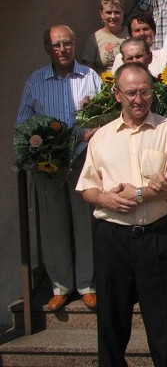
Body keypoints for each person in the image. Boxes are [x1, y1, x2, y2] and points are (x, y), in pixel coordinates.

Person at [77, 62, 167, 366]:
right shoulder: (101, 137)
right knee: (111, 326)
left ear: (152, 92)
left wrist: (138, 194)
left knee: (165, 327)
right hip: (112, 241)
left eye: (144, 92)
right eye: (130, 93)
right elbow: (87, 187)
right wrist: (105, 199)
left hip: (157, 238)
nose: (138, 99)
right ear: (117, 95)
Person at [16, 25, 101, 311]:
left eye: (67, 44)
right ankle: (61, 286)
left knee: (84, 222)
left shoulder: (90, 77)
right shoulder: (35, 81)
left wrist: (93, 134)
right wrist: (33, 151)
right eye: (56, 45)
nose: (62, 49)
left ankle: (87, 284)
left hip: (82, 158)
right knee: (54, 224)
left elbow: (104, 116)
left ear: (75, 45)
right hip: (48, 163)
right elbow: (22, 123)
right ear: (47, 49)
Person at [110, 11, 167, 76]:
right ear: (131, 34)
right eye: (137, 30)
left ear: (154, 31)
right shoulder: (121, 57)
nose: (142, 33)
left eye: (145, 29)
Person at [82, 0, 128, 73]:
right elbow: (88, 71)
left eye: (117, 12)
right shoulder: (94, 39)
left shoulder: (131, 34)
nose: (113, 16)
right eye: (109, 12)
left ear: (122, 12)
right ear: (101, 14)